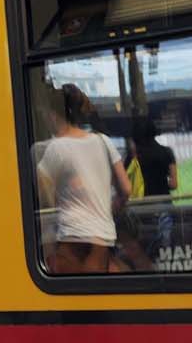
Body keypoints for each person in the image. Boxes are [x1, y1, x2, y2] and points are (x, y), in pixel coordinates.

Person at [32, 85, 131, 274]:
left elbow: (43, 198)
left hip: (72, 238)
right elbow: (126, 189)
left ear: (53, 115)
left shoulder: (56, 148)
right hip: (103, 238)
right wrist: (108, 209)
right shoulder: (103, 141)